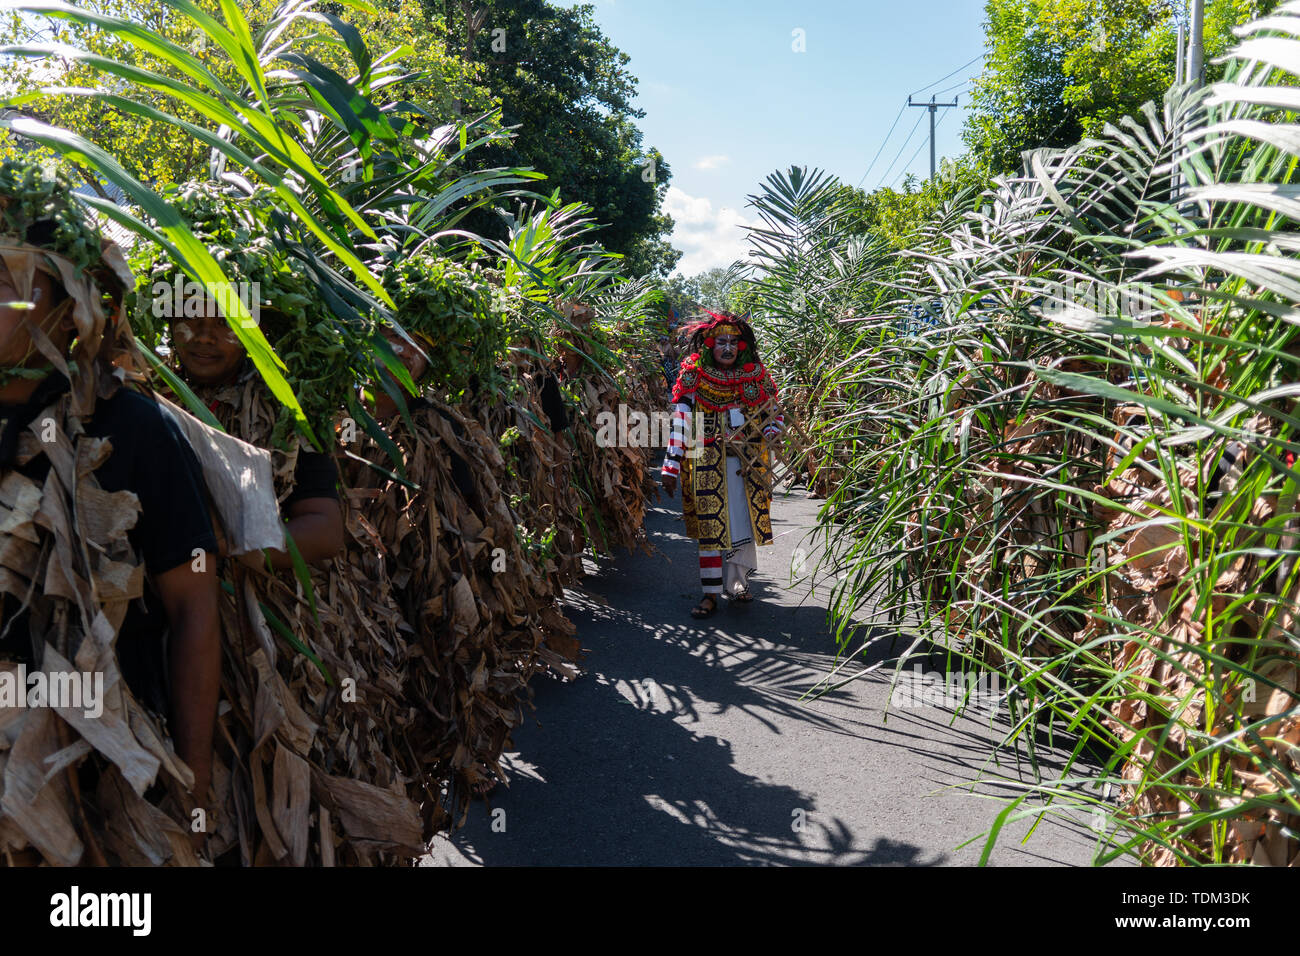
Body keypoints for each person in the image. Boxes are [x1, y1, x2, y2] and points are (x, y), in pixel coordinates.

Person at [0, 158, 221, 860]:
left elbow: (192, 609)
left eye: (6, 279)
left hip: (99, 785)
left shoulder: (136, 433)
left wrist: (195, 785)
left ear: (72, 301)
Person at [659, 310, 784, 618]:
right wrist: (671, 465)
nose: (727, 348)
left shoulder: (756, 377)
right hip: (705, 463)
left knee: (742, 526)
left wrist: (770, 431)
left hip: (746, 466)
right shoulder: (694, 376)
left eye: (733, 342)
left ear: (741, 347)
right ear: (709, 346)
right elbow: (681, 421)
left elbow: (774, 415)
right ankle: (710, 593)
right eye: (721, 342)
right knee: (710, 529)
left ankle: (738, 583)